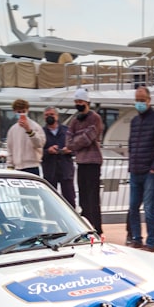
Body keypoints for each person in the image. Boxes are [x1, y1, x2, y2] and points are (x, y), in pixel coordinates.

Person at [126, 85, 154, 252]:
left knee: (150, 209)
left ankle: (150, 242)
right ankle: (137, 239)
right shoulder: (134, 121)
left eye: (142, 100)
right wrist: (131, 165)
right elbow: (131, 144)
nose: (139, 103)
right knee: (133, 207)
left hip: (150, 172)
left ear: (149, 100)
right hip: (136, 170)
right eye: (137, 100)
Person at [66, 88, 104, 233]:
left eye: (80, 101)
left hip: (93, 162)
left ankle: (98, 228)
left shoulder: (95, 118)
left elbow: (89, 137)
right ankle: (87, 227)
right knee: (83, 198)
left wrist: (75, 142)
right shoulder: (75, 121)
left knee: (93, 197)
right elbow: (69, 142)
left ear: (87, 102)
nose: (78, 104)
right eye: (76, 102)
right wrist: (77, 142)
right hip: (81, 162)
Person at [40, 106, 76, 207]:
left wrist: (69, 150)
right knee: (49, 201)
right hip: (50, 171)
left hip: (66, 170)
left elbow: (75, 148)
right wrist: (48, 151)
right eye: (47, 115)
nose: (49, 117)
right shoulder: (41, 132)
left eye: (52, 114)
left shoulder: (67, 130)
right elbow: (37, 151)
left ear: (57, 116)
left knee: (69, 199)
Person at [5, 98, 45, 174]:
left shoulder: (36, 126)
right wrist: (10, 166)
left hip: (32, 167)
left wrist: (29, 130)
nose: (21, 114)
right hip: (17, 168)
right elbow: (10, 149)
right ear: (14, 112)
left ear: (27, 110)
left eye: (23, 111)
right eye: (19, 112)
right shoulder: (12, 130)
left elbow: (39, 144)